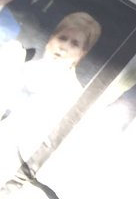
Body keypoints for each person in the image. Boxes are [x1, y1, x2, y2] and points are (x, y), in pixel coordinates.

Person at [0, 11, 101, 178]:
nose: (64, 47)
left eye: (74, 44)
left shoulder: (73, 93)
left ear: (83, 52)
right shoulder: (22, 65)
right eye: (62, 38)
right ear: (51, 38)